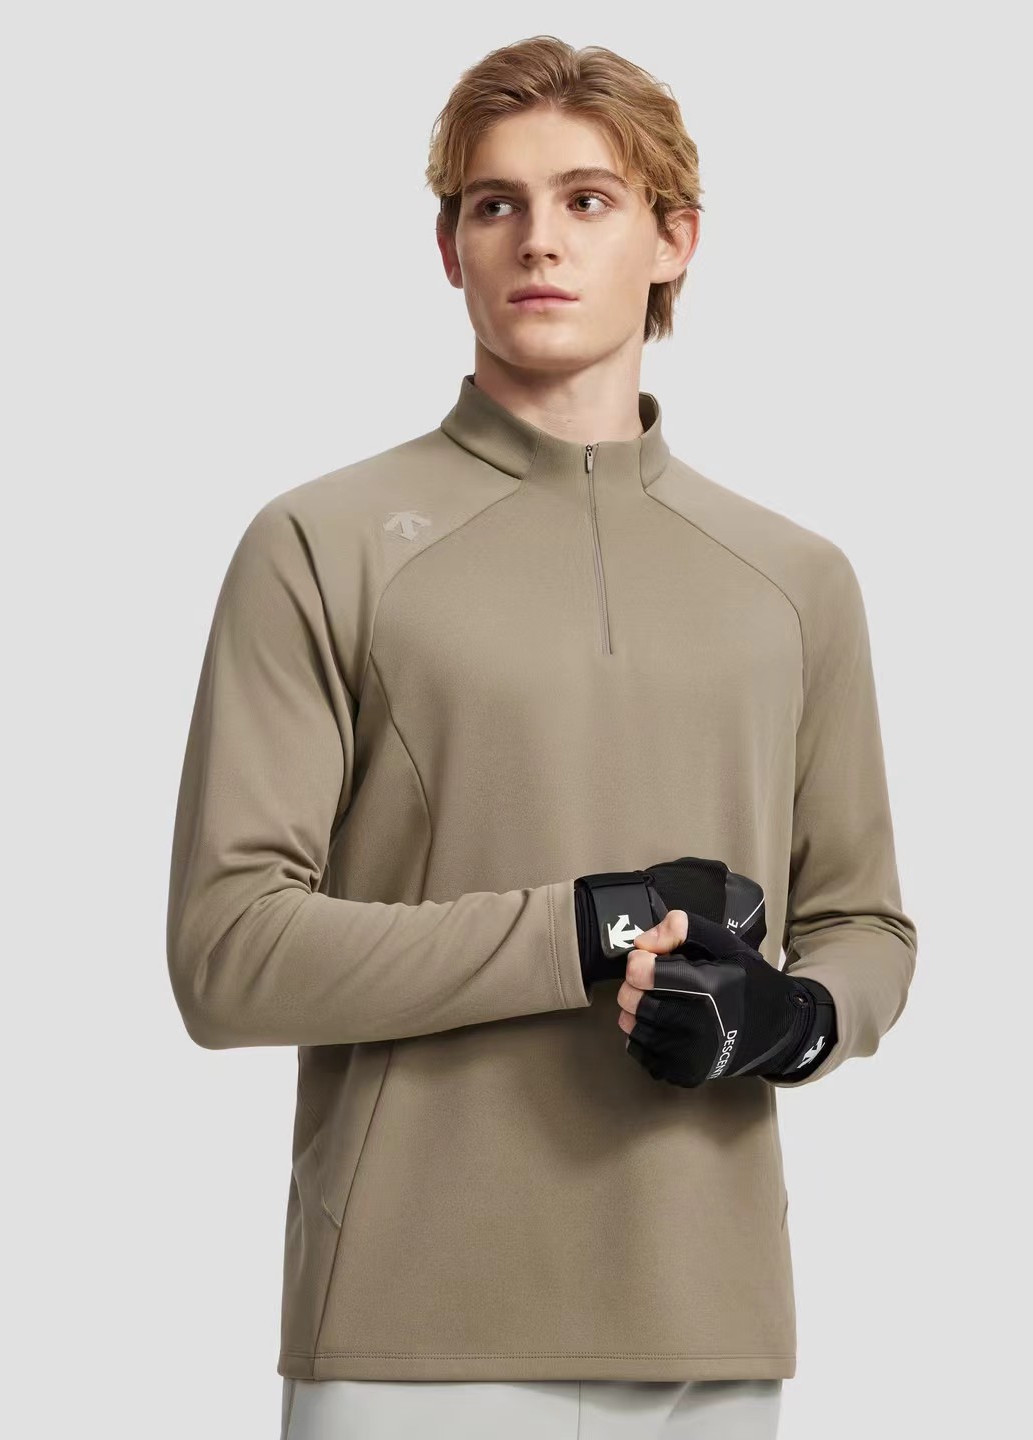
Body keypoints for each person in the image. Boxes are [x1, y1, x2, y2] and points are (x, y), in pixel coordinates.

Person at [166, 34, 917, 1440]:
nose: (538, 241)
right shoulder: (321, 545)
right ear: (448, 248)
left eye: (588, 199)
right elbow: (227, 954)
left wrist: (799, 1020)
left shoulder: (795, 578)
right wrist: (581, 925)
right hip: (403, 1332)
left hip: (707, 1325)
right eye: (494, 204)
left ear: (674, 240)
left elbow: (866, 922)